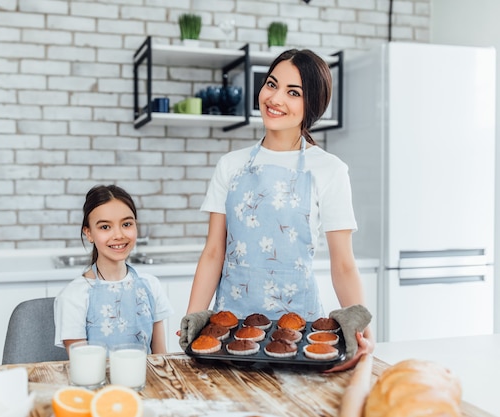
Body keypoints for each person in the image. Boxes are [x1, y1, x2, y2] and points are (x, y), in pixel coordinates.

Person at [185, 49, 374, 371]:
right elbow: (214, 251)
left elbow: (343, 263)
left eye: (294, 92)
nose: (275, 98)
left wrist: (363, 332)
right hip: (228, 330)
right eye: (271, 84)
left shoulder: (329, 170)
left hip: (301, 333)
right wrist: (193, 320)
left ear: (311, 104)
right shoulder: (231, 165)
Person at [54, 184, 173, 355]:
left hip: (148, 381)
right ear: (88, 233)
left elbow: (160, 358)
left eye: (126, 224)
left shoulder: (151, 286)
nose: (118, 235)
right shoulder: (74, 296)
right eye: (105, 227)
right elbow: (83, 368)